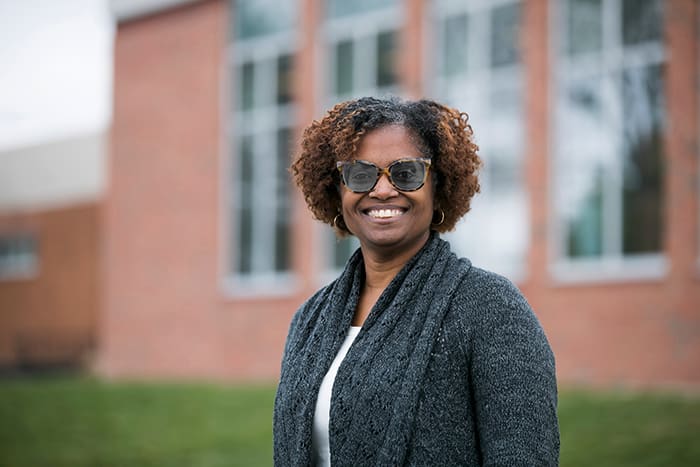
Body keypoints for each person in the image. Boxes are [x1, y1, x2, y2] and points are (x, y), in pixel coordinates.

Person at [273, 96, 559, 466]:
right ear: (337, 189)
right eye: (360, 174)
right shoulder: (310, 320)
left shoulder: (490, 308)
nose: (382, 190)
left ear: (437, 186)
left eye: (406, 172)